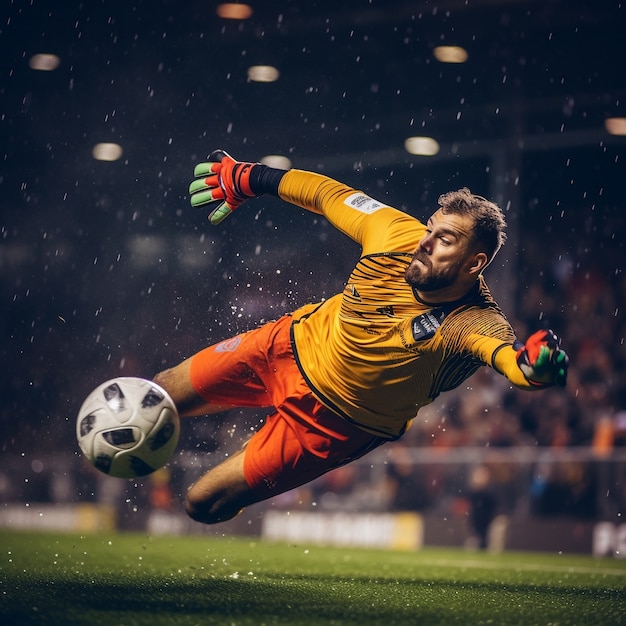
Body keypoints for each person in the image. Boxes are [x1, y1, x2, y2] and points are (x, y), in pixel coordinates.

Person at [152, 149, 569, 525]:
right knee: (161, 392)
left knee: (201, 504)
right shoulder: (393, 234)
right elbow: (326, 193)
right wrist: (248, 177)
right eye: (430, 229)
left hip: (335, 424)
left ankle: (254, 468)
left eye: (445, 239)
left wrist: (535, 371)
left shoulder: (474, 321)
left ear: (474, 263)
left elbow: (509, 360)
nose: (425, 243)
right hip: (289, 347)